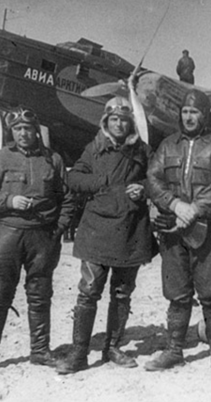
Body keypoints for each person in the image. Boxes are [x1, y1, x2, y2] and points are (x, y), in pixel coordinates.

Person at [56, 96, 156, 374]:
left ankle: (112, 347)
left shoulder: (142, 150)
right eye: (114, 119)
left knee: (122, 294)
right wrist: (100, 184)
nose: (119, 124)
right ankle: (79, 353)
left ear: (130, 122)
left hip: (130, 230)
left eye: (124, 119)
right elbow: (74, 177)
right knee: (88, 293)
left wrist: (144, 188)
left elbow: (159, 178)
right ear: (106, 121)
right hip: (97, 230)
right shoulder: (94, 148)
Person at [145, 89, 211, 376]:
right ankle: (174, 350)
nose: (189, 117)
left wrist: (194, 209)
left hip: (209, 230)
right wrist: (174, 204)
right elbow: (152, 178)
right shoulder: (168, 145)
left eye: (194, 112)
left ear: (204, 115)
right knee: (177, 294)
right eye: (185, 111)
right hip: (173, 230)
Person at [0, 107, 74, 367]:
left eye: (27, 129)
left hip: (43, 237)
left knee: (40, 294)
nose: (23, 133)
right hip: (8, 235)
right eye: (18, 129)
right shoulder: (2, 158)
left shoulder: (52, 159)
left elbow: (67, 198)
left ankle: (40, 351)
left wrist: (59, 229)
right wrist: (9, 200)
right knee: (1, 293)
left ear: (36, 131)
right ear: (12, 131)